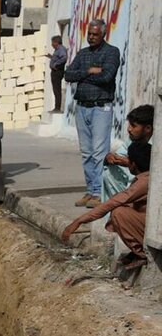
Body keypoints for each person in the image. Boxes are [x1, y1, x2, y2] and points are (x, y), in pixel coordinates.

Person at [62, 140, 151, 271]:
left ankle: (142, 254)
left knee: (119, 212)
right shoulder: (148, 175)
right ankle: (137, 249)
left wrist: (79, 221)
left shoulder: (143, 183)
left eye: (129, 160)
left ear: (133, 164)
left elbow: (112, 203)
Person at [64, 19, 121, 209]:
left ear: (103, 34)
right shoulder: (83, 54)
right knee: (87, 153)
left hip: (100, 108)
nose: (91, 37)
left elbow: (107, 77)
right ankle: (90, 190)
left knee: (99, 152)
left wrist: (82, 76)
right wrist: (89, 71)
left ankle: (99, 193)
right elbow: (68, 75)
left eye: (95, 34)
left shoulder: (111, 52)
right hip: (82, 107)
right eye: (89, 34)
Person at [102, 105, 153, 202]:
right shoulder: (131, 139)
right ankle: (117, 203)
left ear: (148, 128)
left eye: (133, 126)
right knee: (108, 170)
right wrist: (109, 157)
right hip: (132, 180)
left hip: (146, 184)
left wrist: (128, 163)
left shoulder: (157, 146)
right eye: (129, 125)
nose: (129, 129)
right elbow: (120, 154)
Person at [46, 35, 68, 113]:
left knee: (57, 90)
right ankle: (56, 107)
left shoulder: (61, 49)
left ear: (56, 42)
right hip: (55, 71)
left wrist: (56, 64)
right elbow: (58, 58)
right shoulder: (58, 50)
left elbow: (64, 58)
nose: (52, 44)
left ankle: (57, 108)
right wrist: (51, 57)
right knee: (55, 90)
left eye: (52, 42)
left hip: (57, 72)